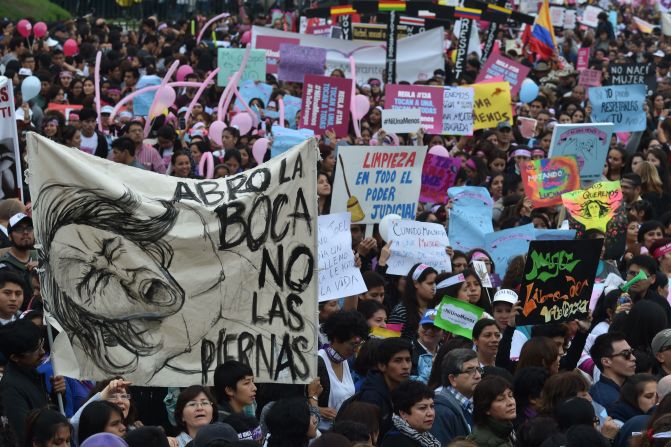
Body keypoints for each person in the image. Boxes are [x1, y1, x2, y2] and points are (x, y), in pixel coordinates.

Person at [0, 319, 65, 443]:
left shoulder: (33, 373)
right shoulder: (10, 388)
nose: (42, 352)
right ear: (15, 357)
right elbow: (24, 434)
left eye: (41, 344)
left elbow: (51, 414)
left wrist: (57, 394)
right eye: (35, 350)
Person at [317, 310, 369, 429]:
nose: (355, 350)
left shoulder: (345, 360)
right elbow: (298, 399)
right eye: (352, 344)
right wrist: (317, 409)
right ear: (336, 338)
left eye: (358, 345)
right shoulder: (318, 362)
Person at [355, 337, 412, 439]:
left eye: (408, 360)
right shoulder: (371, 397)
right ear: (382, 366)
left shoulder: (404, 390)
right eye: (398, 361)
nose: (406, 366)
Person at [430, 349, 481, 444]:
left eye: (478, 369)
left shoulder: (476, 401)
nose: (478, 376)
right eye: (469, 371)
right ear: (453, 379)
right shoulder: (440, 411)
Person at [381, 380, 440, 447]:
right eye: (422, 408)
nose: (430, 413)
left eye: (432, 406)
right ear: (403, 414)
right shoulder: (396, 442)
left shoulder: (423, 435)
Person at [389, 264, 438, 340]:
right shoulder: (400, 311)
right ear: (416, 283)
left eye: (435, 283)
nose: (434, 288)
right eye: (430, 283)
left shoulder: (435, 309)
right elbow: (389, 341)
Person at [590, 332, 637, 409]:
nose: (633, 358)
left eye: (631, 352)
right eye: (626, 354)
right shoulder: (606, 399)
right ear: (606, 362)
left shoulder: (632, 386)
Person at [467, 375, 517, 447]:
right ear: (486, 408)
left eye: (510, 396)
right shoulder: (481, 441)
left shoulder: (506, 429)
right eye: (500, 399)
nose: (510, 403)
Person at [0, 212, 37, 299]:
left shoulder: (41, 257)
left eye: (29, 228)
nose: (25, 232)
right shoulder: (4, 266)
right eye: (19, 229)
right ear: (9, 236)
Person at [411, 309, 444, 383]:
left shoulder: (446, 352)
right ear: (418, 327)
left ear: (443, 333)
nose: (430, 330)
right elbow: (411, 383)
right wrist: (432, 367)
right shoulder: (408, 351)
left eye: (436, 327)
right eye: (426, 326)